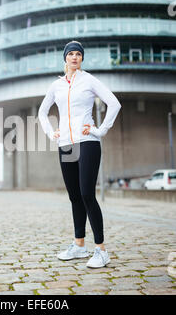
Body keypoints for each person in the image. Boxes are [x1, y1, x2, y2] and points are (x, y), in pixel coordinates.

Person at [38, 41, 121, 268]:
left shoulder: (89, 80)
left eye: (78, 54)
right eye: (70, 54)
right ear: (65, 58)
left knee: (87, 194)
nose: (74, 57)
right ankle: (79, 246)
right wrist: (51, 132)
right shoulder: (56, 85)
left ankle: (101, 250)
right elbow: (42, 112)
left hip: (87, 142)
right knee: (75, 197)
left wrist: (100, 130)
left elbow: (114, 103)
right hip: (66, 144)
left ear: (82, 58)